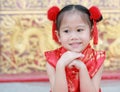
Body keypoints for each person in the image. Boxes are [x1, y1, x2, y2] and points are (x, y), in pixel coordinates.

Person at [45, 4, 106, 92]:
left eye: (79, 30)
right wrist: (60, 65)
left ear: (91, 33)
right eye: (66, 31)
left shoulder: (97, 59)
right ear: (58, 35)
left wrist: (82, 67)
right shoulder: (52, 60)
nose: (73, 37)